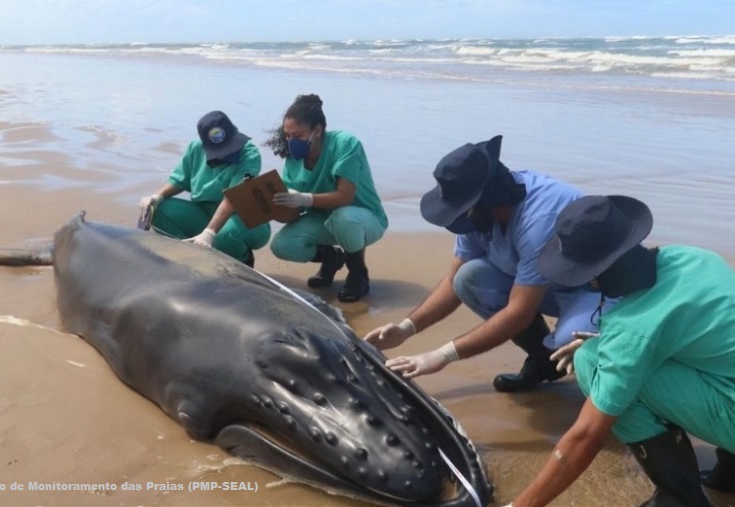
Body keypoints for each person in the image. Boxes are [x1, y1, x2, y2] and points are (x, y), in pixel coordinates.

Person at [503, 195, 735, 507]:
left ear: (594, 276)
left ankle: (679, 498)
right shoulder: (691, 258)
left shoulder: (631, 332)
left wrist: (520, 505)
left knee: (590, 360)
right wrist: (609, 339)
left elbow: (585, 436)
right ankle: (731, 473)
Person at [365, 135, 602, 392]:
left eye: (462, 209)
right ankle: (542, 358)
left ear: (489, 200)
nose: (457, 219)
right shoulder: (478, 214)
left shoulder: (538, 220)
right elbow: (453, 281)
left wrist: (443, 355)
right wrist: (405, 329)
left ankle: (614, 389)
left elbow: (520, 312)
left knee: (570, 343)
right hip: (546, 286)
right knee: (469, 277)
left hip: (594, 290)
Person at [265, 94, 388, 302]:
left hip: (363, 219)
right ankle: (331, 258)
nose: (291, 141)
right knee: (282, 245)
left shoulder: (345, 144)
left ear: (318, 130)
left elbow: (345, 196)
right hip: (322, 220)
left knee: (344, 218)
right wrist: (277, 207)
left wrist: (304, 199)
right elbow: (295, 212)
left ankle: (358, 274)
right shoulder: (293, 158)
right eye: (287, 135)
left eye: (297, 135)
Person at [139, 110, 270, 266]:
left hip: (242, 215)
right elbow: (179, 180)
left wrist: (209, 232)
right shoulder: (195, 148)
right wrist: (157, 197)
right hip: (204, 210)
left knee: (225, 236)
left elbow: (234, 197)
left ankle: (242, 263)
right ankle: (190, 258)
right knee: (157, 210)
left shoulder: (250, 153)